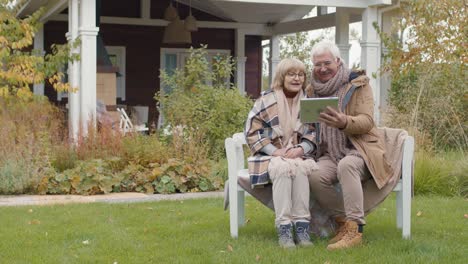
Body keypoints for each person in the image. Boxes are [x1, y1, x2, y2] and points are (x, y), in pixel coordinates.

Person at [305, 40, 396, 250]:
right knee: (314, 174)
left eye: (327, 63)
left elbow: (367, 122)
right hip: (329, 152)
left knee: (347, 165)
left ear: (337, 61)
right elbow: (310, 125)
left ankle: (355, 231)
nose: (322, 68)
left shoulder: (358, 84)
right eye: (317, 64)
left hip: (360, 148)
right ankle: (345, 223)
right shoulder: (311, 89)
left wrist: (344, 122)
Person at [244, 58, 318, 248]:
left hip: (298, 154)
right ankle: (284, 229)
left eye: (301, 74)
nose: (297, 78)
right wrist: (276, 151)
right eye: (291, 74)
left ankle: (302, 229)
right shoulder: (266, 99)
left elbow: (314, 131)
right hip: (270, 155)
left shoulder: (308, 101)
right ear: (282, 77)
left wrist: (301, 149)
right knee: (283, 169)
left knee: (300, 169)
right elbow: (252, 131)